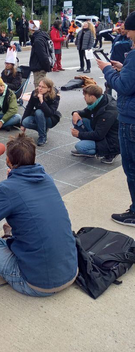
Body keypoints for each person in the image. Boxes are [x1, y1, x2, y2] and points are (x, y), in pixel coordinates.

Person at [0, 133, 78, 297]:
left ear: (8, 161)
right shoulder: (47, 179)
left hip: (36, 283)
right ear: (33, 158)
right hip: (70, 270)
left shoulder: (7, 189)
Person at [96, 12, 135, 226]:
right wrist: (122, 68)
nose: (127, 35)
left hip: (131, 120)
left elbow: (124, 86)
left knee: (131, 169)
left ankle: (134, 213)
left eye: (129, 30)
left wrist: (109, 70)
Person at [70, 84, 119, 164]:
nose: (84, 98)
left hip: (111, 141)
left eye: (85, 96)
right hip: (102, 131)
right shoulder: (99, 101)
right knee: (78, 119)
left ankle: (110, 153)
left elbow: (99, 135)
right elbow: (86, 112)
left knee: (80, 147)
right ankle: (90, 146)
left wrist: (79, 134)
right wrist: (76, 113)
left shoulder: (107, 113)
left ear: (92, 97)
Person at [21, 77, 61, 146]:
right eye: (39, 86)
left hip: (50, 118)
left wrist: (42, 101)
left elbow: (50, 113)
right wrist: (22, 124)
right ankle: (43, 129)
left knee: (39, 112)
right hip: (38, 117)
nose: (40, 88)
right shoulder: (35, 93)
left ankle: (42, 137)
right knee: (25, 122)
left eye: (43, 87)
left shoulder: (55, 96)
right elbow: (29, 107)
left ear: (49, 88)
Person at [28, 20, 52, 88]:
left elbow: (42, 55)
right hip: (41, 67)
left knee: (39, 90)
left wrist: (46, 67)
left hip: (39, 68)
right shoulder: (42, 36)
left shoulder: (38, 40)